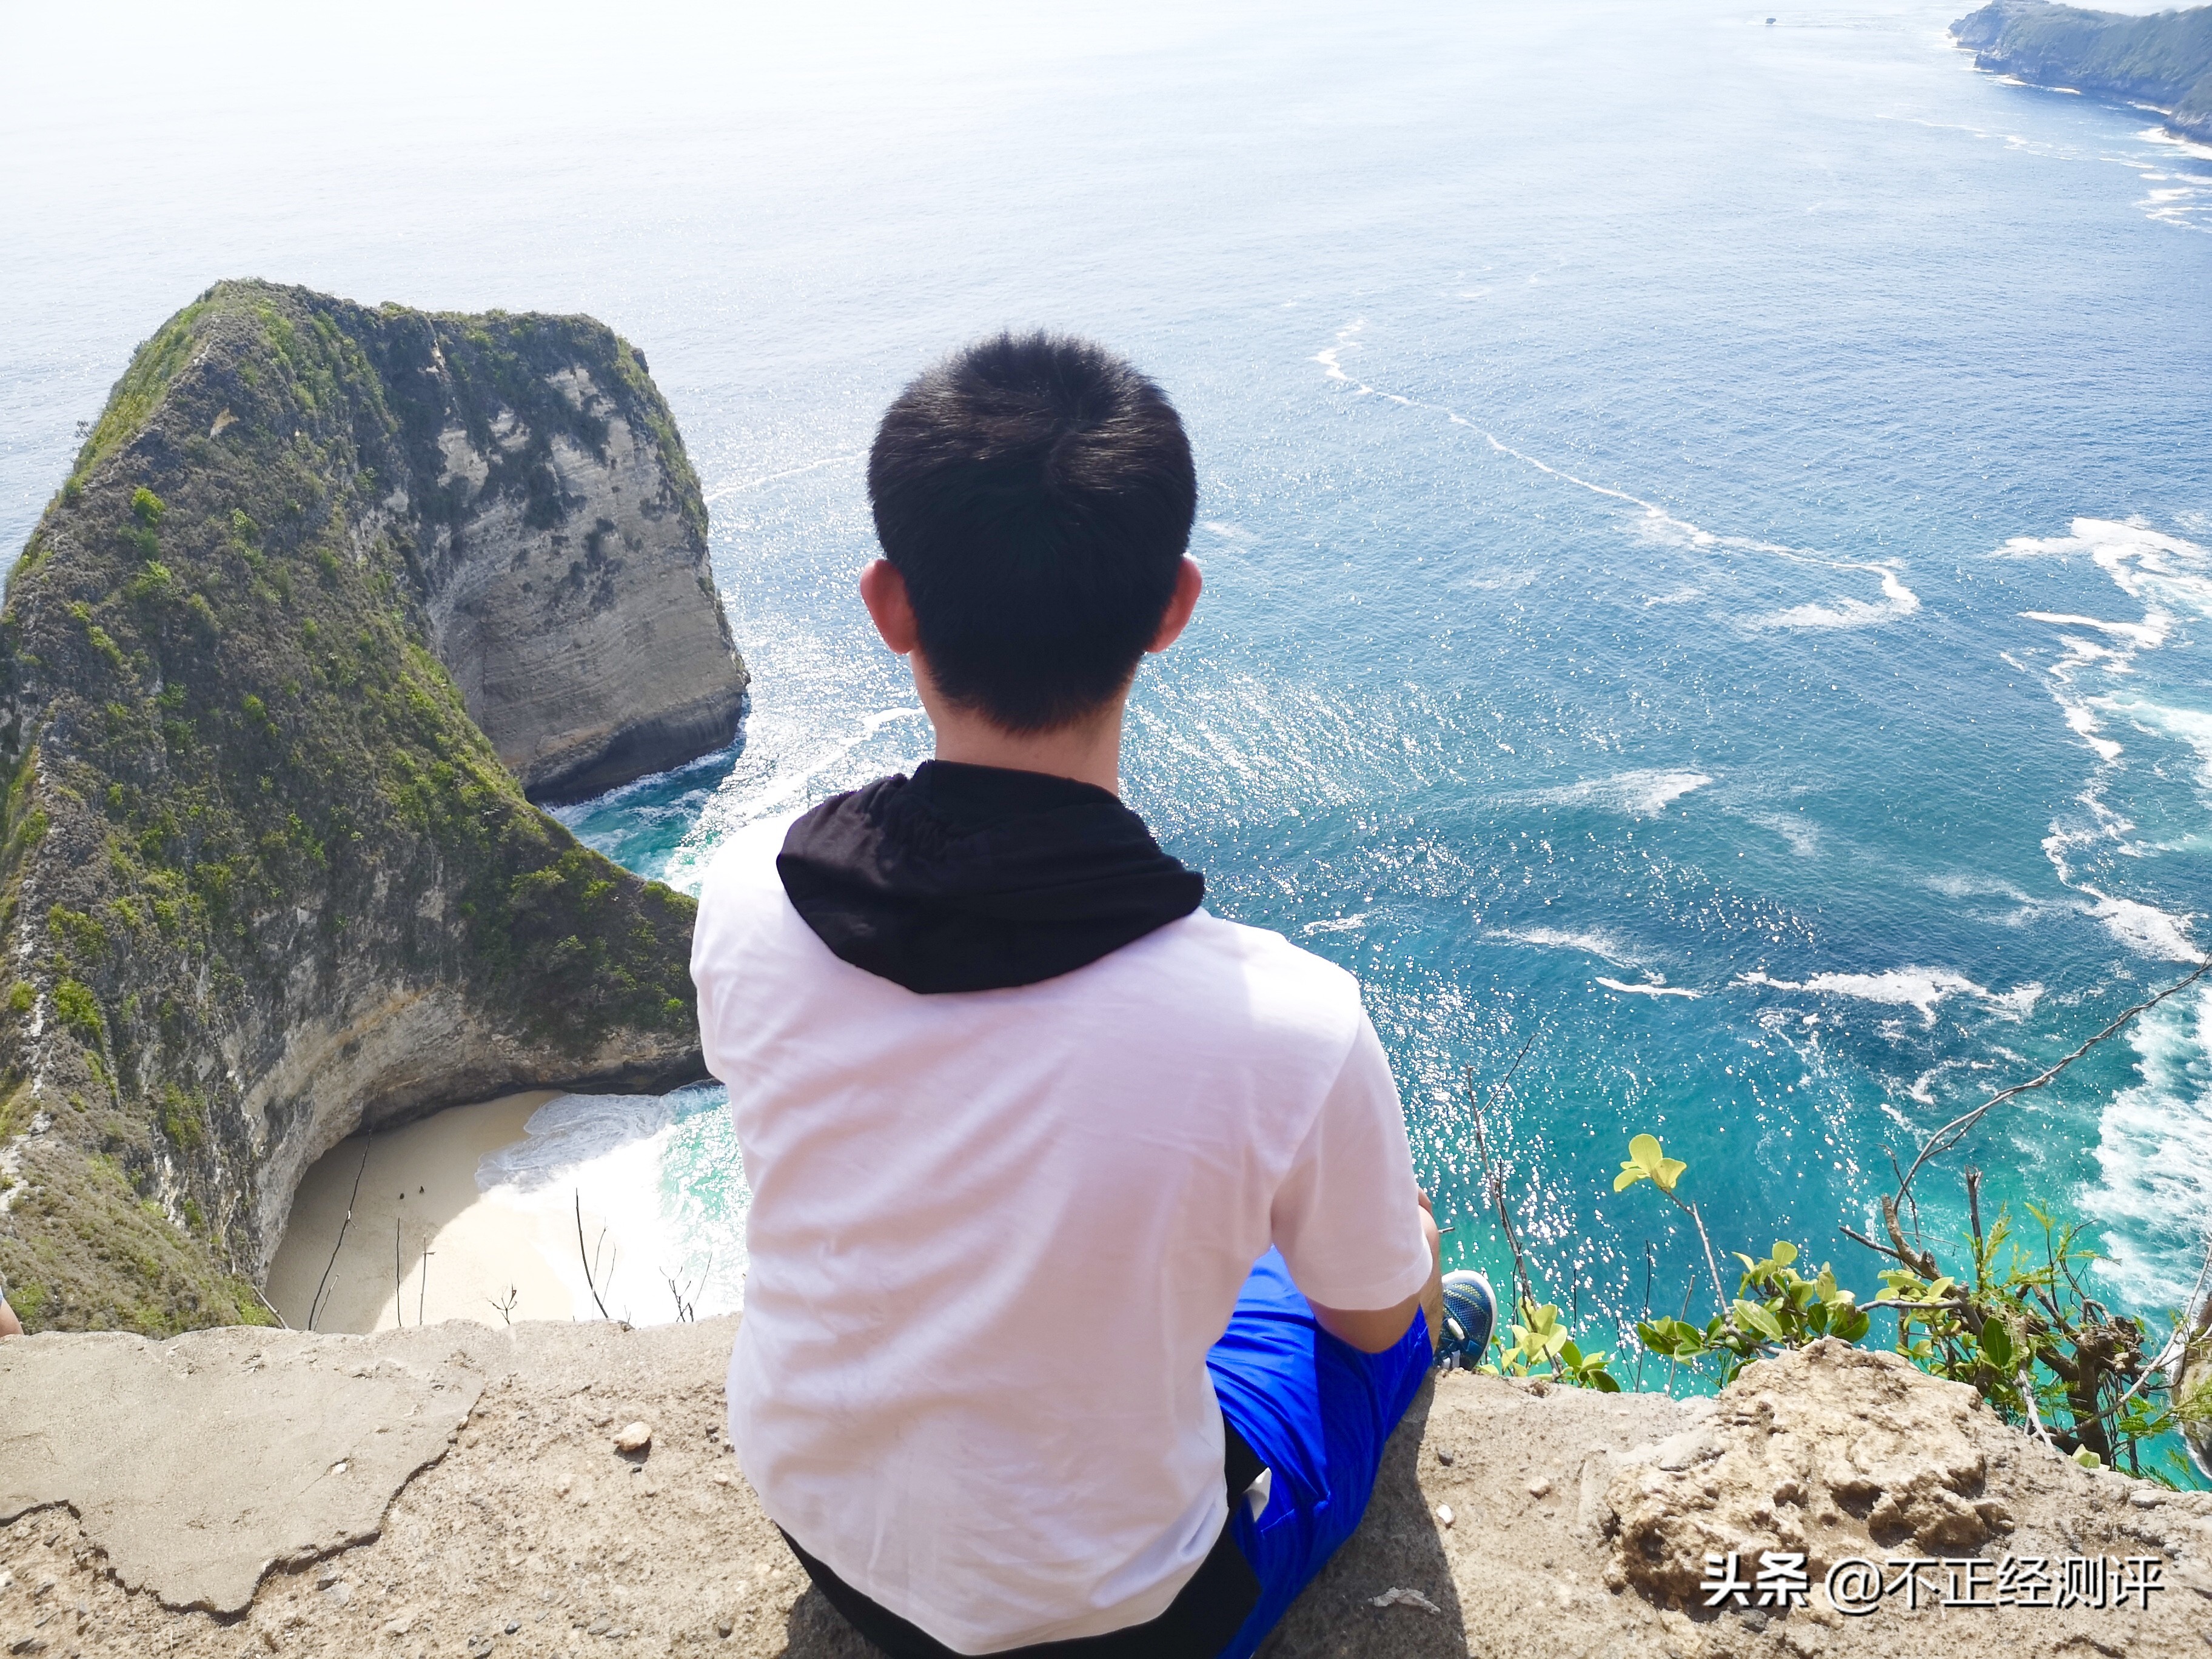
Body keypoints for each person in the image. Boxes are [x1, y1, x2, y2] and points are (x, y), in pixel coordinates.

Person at [689, 332, 1491, 1659]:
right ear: (1173, 607)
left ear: (890, 606)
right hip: (1124, 1619)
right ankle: (1457, 1323)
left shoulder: (744, 895)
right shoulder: (1284, 1022)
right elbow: (1358, 1313)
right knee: (1381, 1304)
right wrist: (1395, 1267)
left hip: (821, 1528)